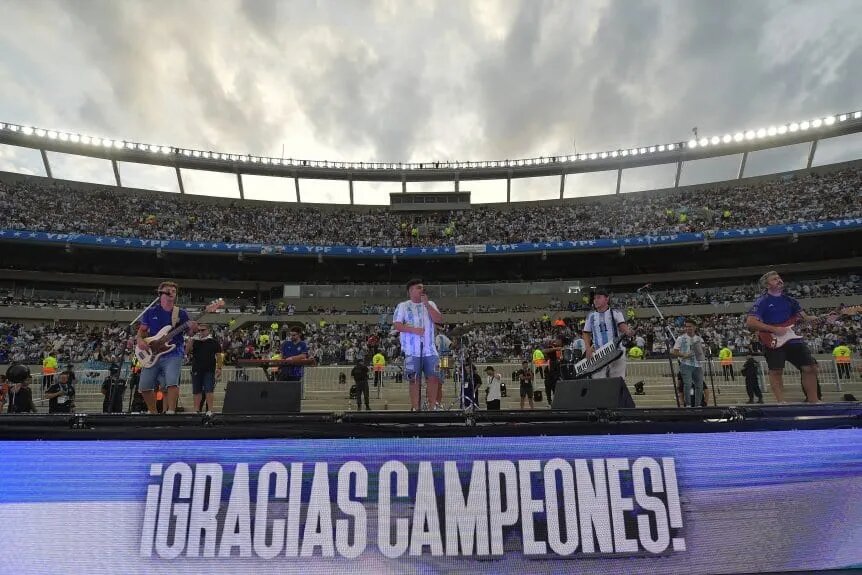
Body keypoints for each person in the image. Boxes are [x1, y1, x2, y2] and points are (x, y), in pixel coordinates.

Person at [745, 271, 819, 403]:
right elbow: (750, 322)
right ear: (767, 285)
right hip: (774, 339)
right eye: (774, 279)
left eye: (779, 278)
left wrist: (818, 319)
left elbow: (805, 318)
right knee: (776, 371)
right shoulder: (762, 301)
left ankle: (814, 400)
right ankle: (781, 401)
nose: (779, 280)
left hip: (794, 339)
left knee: (810, 367)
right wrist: (774, 329)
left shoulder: (791, 301)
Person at [136, 281, 197, 414]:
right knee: (144, 386)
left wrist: (193, 328)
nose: (171, 293)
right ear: (161, 293)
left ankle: (171, 411)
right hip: (152, 353)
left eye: (174, 291)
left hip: (174, 353)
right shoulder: (150, 312)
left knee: (172, 382)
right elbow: (142, 330)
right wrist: (139, 340)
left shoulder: (181, 313)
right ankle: (153, 412)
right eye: (168, 290)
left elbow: (190, 333)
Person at [393, 278, 444, 411]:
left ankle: (432, 406)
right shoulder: (403, 306)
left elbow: (439, 320)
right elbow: (397, 325)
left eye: (423, 287)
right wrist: (413, 330)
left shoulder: (430, 303)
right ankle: (415, 407)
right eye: (419, 287)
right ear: (411, 290)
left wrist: (427, 304)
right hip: (411, 351)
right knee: (413, 380)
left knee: (434, 377)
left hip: (430, 350)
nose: (422, 289)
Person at [583, 288, 634, 381]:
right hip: (599, 352)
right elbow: (586, 333)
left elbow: (622, 326)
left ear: (607, 299)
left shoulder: (615, 313)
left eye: (599, 298)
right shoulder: (591, 316)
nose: (596, 300)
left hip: (616, 351)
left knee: (617, 380)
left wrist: (628, 332)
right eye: (594, 298)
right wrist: (587, 348)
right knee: (598, 380)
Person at [186, 323, 222, 415]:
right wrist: (191, 340)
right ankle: (196, 410)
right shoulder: (195, 341)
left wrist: (219, 368)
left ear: (208, 330)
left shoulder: (214, 342)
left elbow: (219, 356)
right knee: (196, 390)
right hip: (196, 369)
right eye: (199, 330)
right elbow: (187, 351)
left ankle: (210, 410)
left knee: (209, 390)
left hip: (209, 370)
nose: (200, 332)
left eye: (203, 330)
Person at [671, 319, 706, 408]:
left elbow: (703, 351)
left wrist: (701, 353)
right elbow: (674, 352)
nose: (687, 328)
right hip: (685, 364)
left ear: (694, 327)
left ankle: (698, 405)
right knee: (688, 384)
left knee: (699, 385)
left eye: (689, 326)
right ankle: (688, 405)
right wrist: (684, 355)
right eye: (686, 326)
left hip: (697, 365)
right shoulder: (680, 338)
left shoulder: (699, 339)